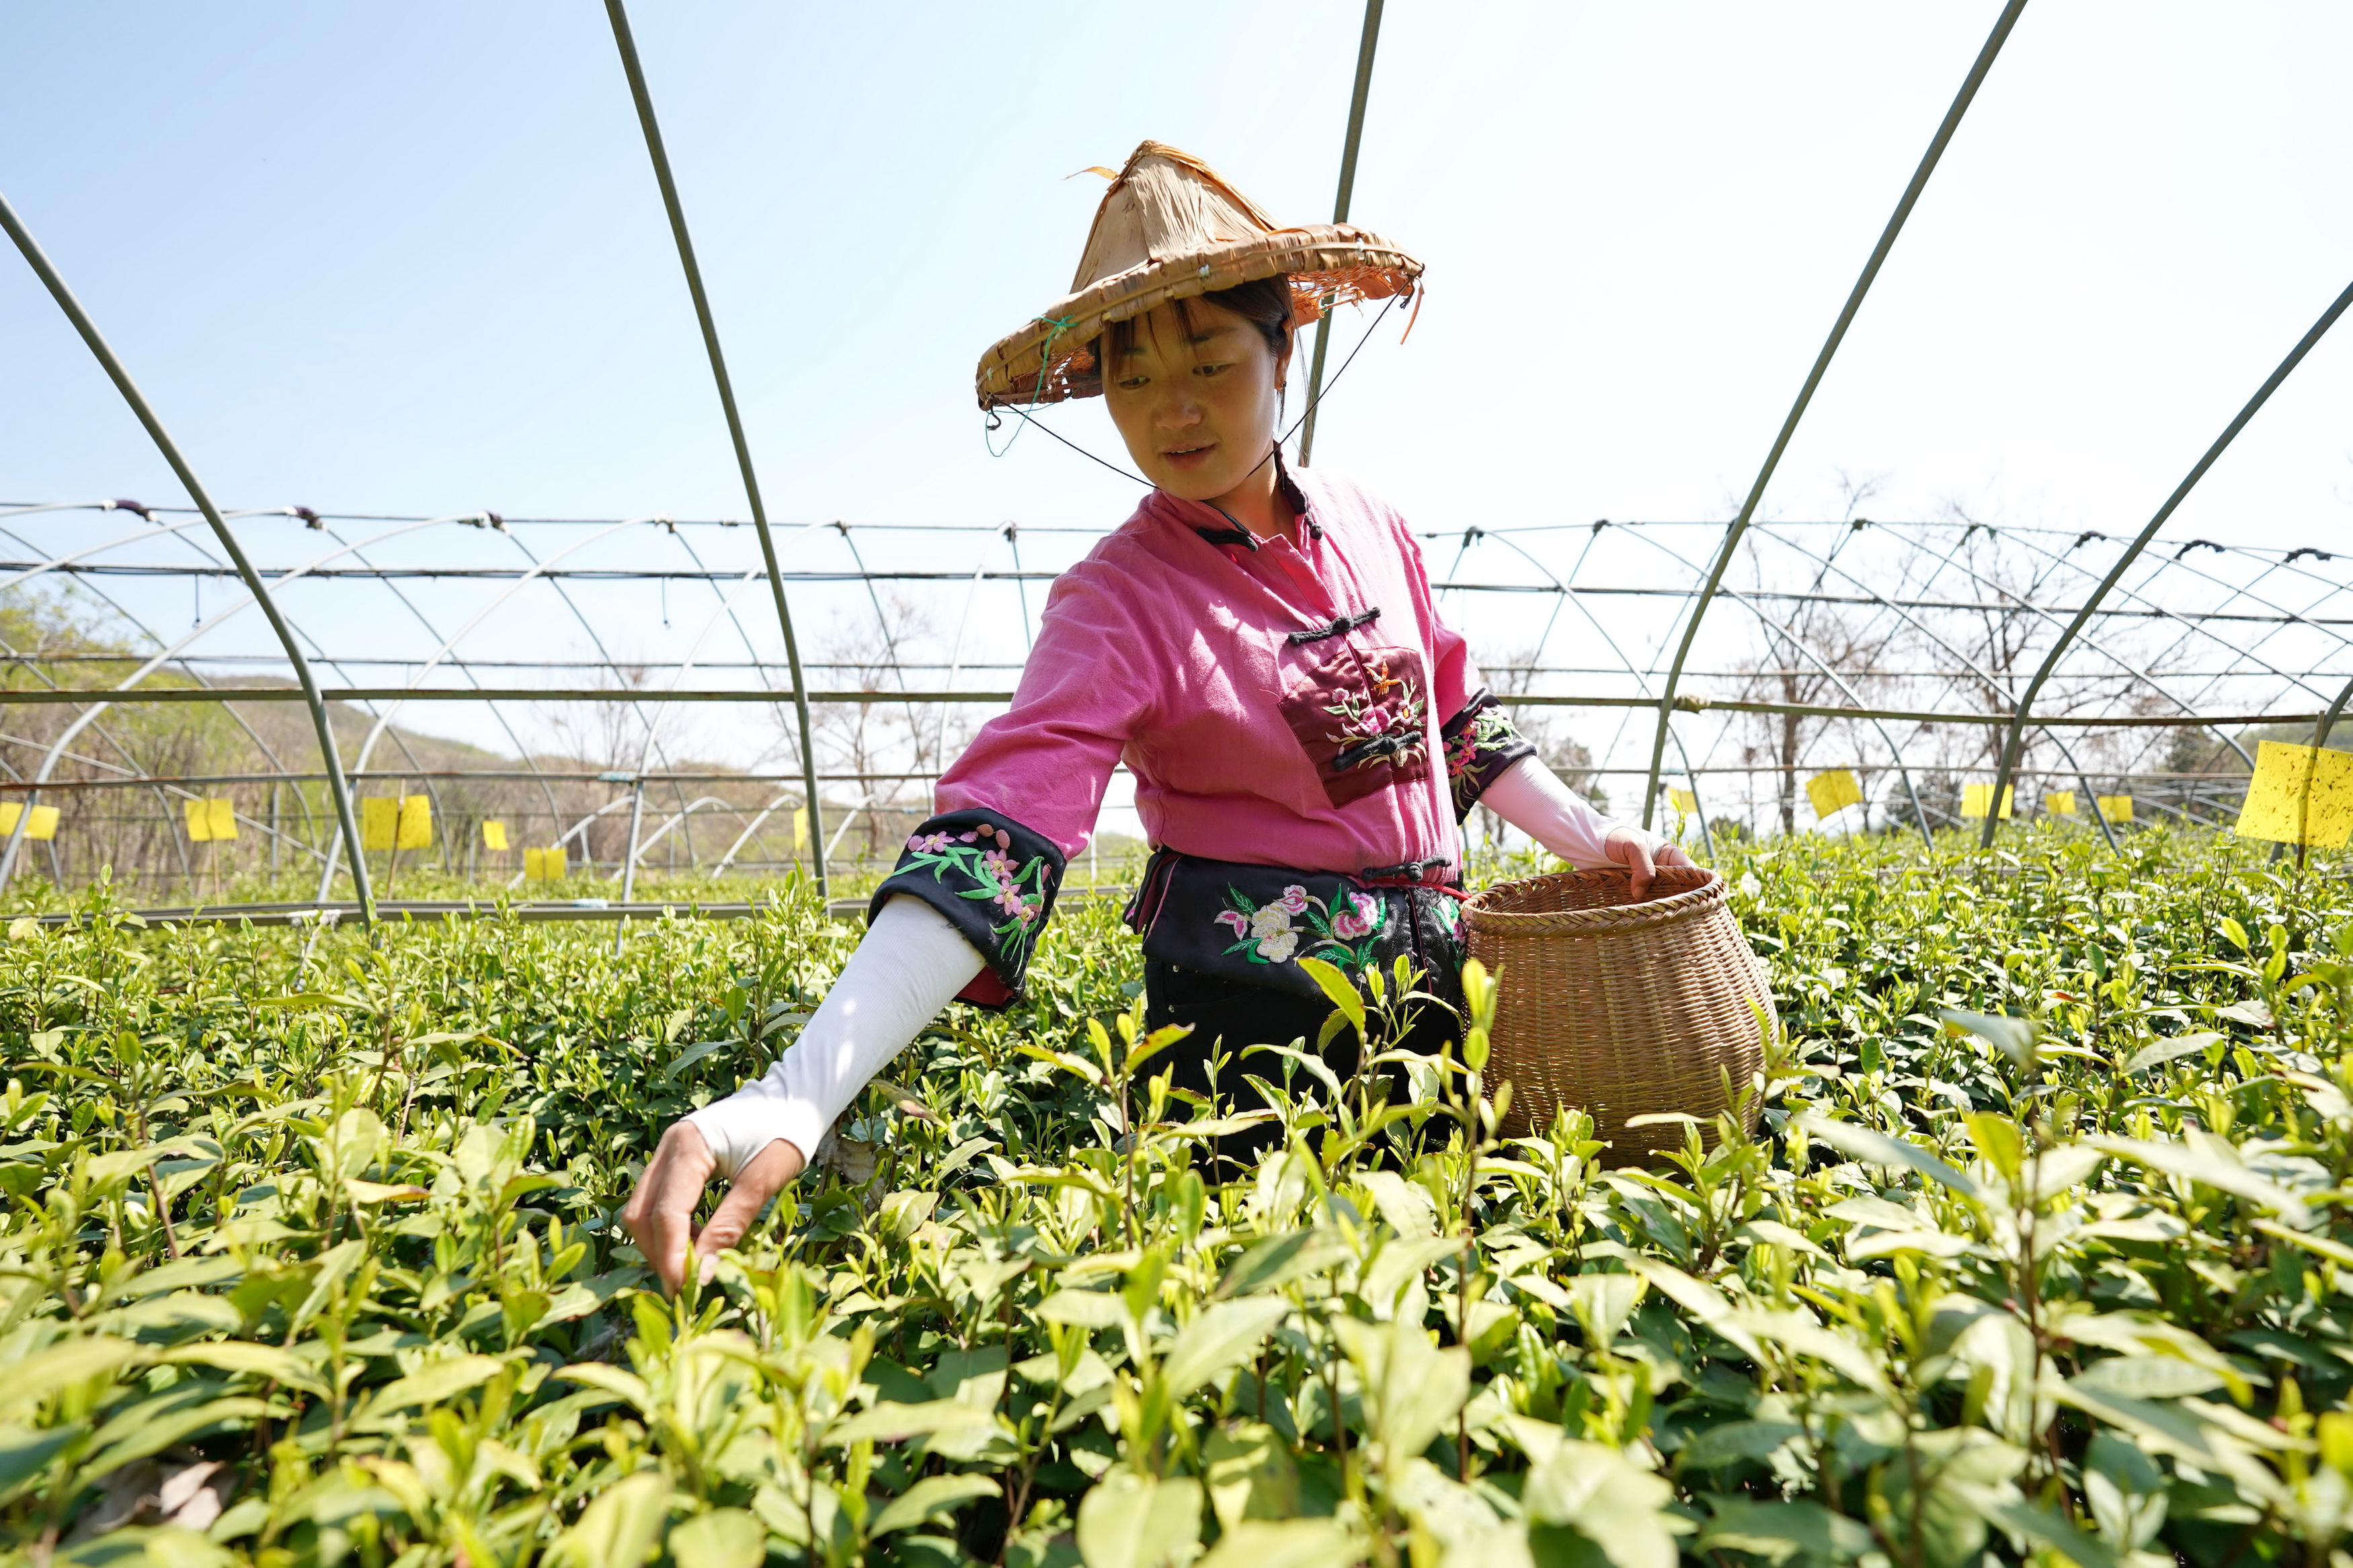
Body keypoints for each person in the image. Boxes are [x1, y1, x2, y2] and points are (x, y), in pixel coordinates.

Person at [622, 142, 1691, 1292]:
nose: (1172, 411)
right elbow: (1000, 828)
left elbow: (1452, 721)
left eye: (1211, 362)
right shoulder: (1118, 598)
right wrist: (799, 1088)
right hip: (1254, 1043)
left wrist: (1595, 840)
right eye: (1132, 378)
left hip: (1442, 1008)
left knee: (1443, 1320)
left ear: (1285, 346)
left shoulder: (1373, 522)